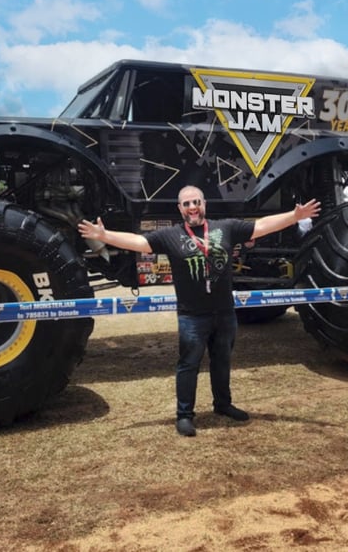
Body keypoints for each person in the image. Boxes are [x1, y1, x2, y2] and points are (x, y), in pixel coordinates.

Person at [78, 185, 321, 437]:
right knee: (188, 365)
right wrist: (104, 236)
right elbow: (139, 242)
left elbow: (261, 226)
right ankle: (184, 415)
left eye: (196, 202)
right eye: (186, 204)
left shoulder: (225, 227)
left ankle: (223, 405)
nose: (192, 207)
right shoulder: (170, 235)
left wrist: (294, 217)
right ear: (180, 209)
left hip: (225, 312)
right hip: (192, 316)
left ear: (204, 203)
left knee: (222, 361)